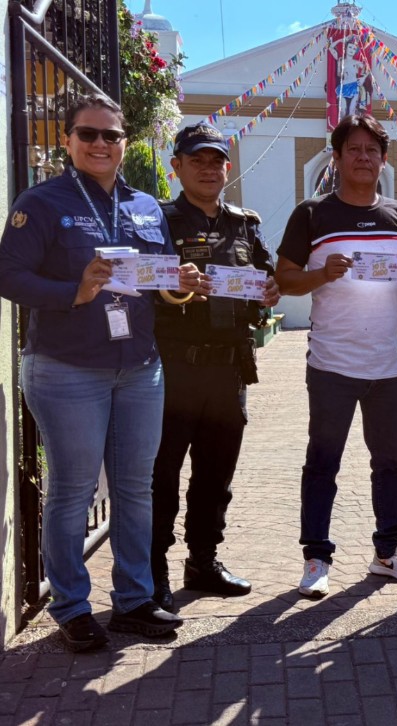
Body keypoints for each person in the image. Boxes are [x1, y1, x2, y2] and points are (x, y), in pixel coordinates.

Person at [0, 93, 200, 650]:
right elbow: (9, 277)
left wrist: (177, 284)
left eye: (111, 136)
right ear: (67, 141)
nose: (100, 145)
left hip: (139, 367)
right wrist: (76, 291)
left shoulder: (146, 206)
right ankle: (71, 606)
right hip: (66, 370)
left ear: (125, 144)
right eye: (88, 135)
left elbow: (156, 283)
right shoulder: (40, 203)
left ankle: (134, 601)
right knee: (73, 490)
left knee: (137, 488)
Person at [275, 113, 397, 598]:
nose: (363, 158)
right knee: (323, 462)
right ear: (337, 158)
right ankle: (316, 559)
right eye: (354, 150)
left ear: (383, 159)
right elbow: (284, 279)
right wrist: (322, 275)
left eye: (372, 150)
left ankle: (388, 553)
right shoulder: (312, 213)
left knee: (390, 463)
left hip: (388, 366)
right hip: (331, 365)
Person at [150, 122, 281, 612]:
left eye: (216, 161)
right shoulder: (157, 220)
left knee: (215, 476)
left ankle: (202, 562)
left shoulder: (243, 223)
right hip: (174, 371)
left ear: (228, 167)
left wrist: (270, 291)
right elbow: (139, 282)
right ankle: (154, 571)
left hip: (228, 372)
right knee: (161, 475)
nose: (208, 168)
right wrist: (172, 277)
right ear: (177, 166)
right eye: (197, 160)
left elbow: (266, 277)